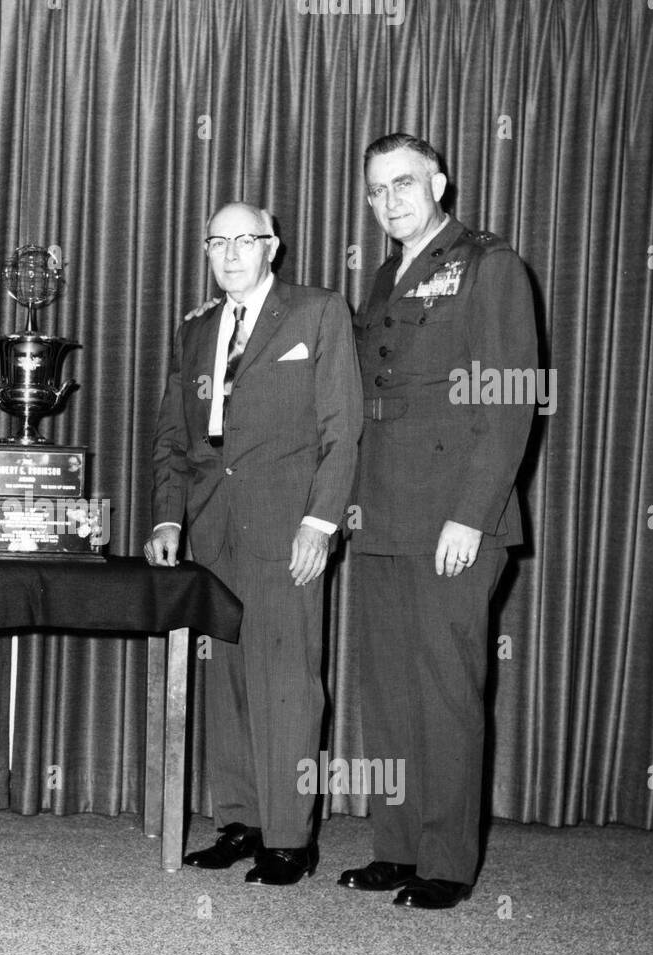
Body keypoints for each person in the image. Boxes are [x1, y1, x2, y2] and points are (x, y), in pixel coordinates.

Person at [340, 134, 536, 909]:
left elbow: (510, 398)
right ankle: (396, 846)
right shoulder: (388, 275)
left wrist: (471, 515)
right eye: (378, 189)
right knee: (388, 692)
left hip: (455, 515)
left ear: (440, 181)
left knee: (447, 690)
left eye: (405, 183)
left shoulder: (491, 266)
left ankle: (447, 862)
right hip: (382, 511)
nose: (391, 199)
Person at [146, 202, 362, 885]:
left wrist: (320, 522)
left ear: (273, 246)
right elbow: (173, 437)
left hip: (286, 527)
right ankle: (239, 820)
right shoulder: (197, 330)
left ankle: (290, 839)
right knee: (229, 682)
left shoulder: (318, 312)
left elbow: (343, 426)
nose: (232, 253)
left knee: (287, 685)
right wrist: (167, 519)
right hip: (212, 532)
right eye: (218, 241)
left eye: (246, 240)